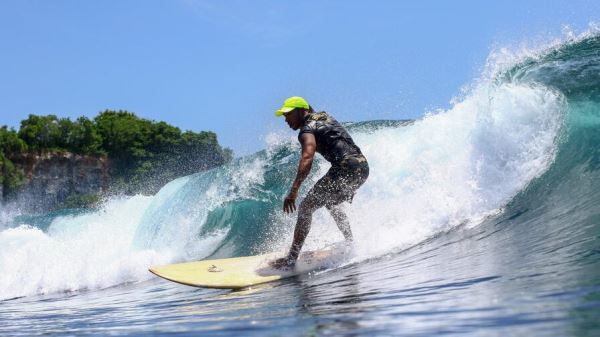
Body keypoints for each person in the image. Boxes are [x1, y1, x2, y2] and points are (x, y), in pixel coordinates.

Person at [270, 96, 369, 269]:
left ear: (302, 111)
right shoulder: (325, 117)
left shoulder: (307, 129)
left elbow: (307, 156)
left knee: (306, 207)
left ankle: (291, 260)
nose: (285, 120)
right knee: (332, 202)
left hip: (344, 167)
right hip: (362, 166)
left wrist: (294, 190)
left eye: (288, 114)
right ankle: (351, 243)